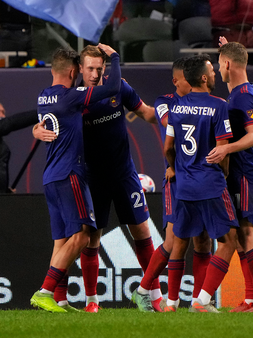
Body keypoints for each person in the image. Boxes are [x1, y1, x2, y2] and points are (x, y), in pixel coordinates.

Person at [33, 45, 161, 313]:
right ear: (78, 68)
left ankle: (152, 294)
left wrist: (174, 116)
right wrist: (37, 129)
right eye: (89, 68)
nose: (94, 73)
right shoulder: (74, 96)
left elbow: (147, 113)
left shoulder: (119, 88)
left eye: (99, 69)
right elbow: (51, 117)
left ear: (105, 69)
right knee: (90, 239)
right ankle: (92, 301)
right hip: (92, 177)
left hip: (124, 172)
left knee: (142, 230)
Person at [29, 44, 121, 313]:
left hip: (50, 177)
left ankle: (60, 300)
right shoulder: (71, 96)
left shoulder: (43, 96)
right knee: (82, 236)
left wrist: (36, 130)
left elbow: (45, 123)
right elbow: (112, 88)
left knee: (61, 241)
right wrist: (114, 58)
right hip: (70, 174)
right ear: (73, 71)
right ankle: (45, 291)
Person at [130, 57, 212, 313]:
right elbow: (167, 123)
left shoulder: (207, 103)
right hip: (176, 179)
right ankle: (147, 292)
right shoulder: (166, 102)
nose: (196, 80)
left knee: (203, 241)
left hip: (201, 178)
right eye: (189, 77)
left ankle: (199, 302)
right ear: (177, 81)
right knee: (175, 241)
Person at [164, 54, 239, 313]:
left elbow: (167, 148)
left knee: (181, 242)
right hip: (210, 184)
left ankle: (171, 303)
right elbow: (222, 150)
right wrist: (225, 173)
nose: (216, 74)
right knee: (230, 241)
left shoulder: (176, 106)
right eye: (212, 71)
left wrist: (177, 169)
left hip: (184, 187)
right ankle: (202, 300)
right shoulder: (218, 106)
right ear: (205, 78)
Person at [206, 40, 253, 312]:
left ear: (228, 65)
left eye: (220, 63)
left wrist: (226, 149)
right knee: (243, 240)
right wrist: (229, 46)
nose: (218, 68)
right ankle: (251, 298)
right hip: (240, 172)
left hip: (245, 173)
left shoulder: (243, 95)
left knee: (248, 233)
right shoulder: (243, 91)